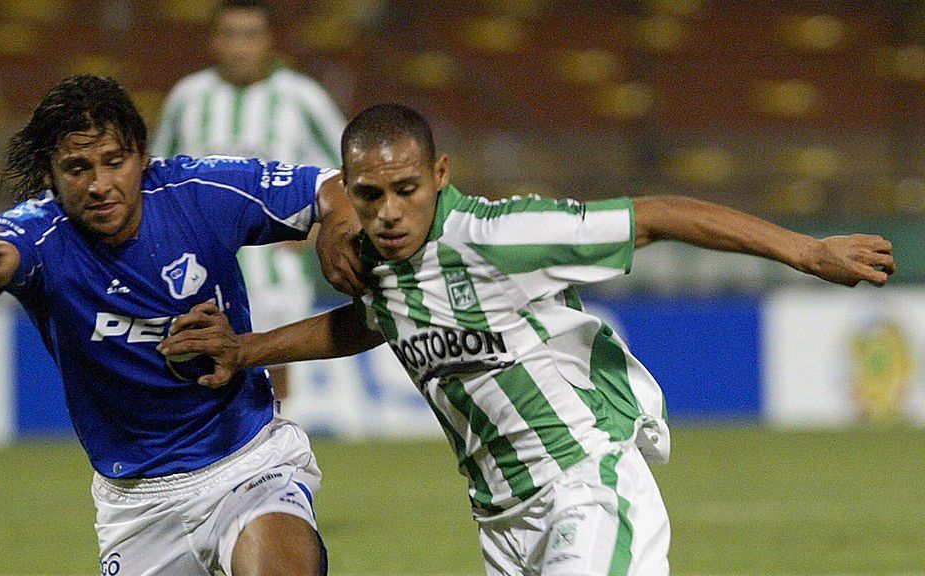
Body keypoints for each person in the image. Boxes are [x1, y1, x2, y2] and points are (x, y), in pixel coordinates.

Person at [157, 103, 897, 575]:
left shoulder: (500, 235)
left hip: (587, 488)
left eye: (407, 189)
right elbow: (369, 325)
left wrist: (805, 252)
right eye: (370, 195)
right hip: (500, 524)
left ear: (440, 175)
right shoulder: (380, 270)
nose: (388, 211)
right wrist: (248, 350)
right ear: (345, 193)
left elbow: (656, 214)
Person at [0, 73, 362, 576]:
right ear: (50, 175)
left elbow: (330, 186)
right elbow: (0, 257)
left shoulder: (201, 192)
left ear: (143, 155)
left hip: (247, 465)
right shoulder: (38, 231)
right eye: (77, 168)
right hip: (137, 503)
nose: (99, 185)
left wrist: (338, 227)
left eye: (114, 162)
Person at [152, 0, 349, 402]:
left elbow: (348, 169)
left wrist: (319, 226)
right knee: (196, 373)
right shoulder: (188, 97)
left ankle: (278, 457)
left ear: (269, 42)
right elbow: (155, 177)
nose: (240, 47)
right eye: (230, 35)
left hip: (274, 271)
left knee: (275, 378)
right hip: (196, 269)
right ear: (214, 42)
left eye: (251, 35)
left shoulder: (301, 96)